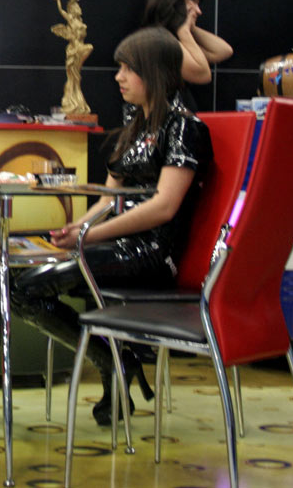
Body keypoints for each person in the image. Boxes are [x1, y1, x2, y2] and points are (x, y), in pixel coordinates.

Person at [12, 27, 211, 425]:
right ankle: (112, 362)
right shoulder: (135, 126)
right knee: (8, 265)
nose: (118, 77)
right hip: (115, 245)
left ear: (154, 72)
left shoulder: (184, 128)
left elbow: (164, 207)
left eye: (127, 69)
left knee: (24, 290)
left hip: (151, 254)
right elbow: (107, 200)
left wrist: (86, 237)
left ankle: (112, 361)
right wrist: (76, 229)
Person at [142, 0, 233, 110]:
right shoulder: (158, 42)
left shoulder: (175, 39)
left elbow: (223, 51)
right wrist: (183, 29)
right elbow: (203, 74)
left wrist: (190, 27)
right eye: (193, 3)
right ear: (176, 4)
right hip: (167, 118)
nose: (199, 11)